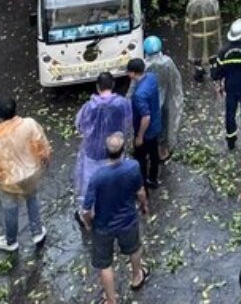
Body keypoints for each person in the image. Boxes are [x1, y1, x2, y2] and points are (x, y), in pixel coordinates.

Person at [81, 132, 151, 304]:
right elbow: (140, 192)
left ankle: (111, 300)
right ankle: (136, 276)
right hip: (127, 220)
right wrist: (144, 206)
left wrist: (89, 224)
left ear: (106, 152)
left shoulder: (97, 177)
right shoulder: (133, 167)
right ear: (123, 150)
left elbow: (86, 209)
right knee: (134, 248)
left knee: (105, 264)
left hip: (103, 226)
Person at [0, 98, 51, 252]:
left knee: (10, 208)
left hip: (8, 180)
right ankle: (37, 233)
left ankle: (11, 241)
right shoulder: (29, 124)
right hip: (30, 173)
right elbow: (41, 144)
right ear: (16, 110)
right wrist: (45, 160)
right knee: (32, 199)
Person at [74, 73, 133, 222]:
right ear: (113, 85)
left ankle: (89, 212)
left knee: (89, 183)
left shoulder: (89, 107)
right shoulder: (122, 103)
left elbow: (80, 125)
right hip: (114, 149)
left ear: (97, 87)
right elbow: (127, 123)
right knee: (115, 179)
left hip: (93, 151)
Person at [211, 19, 241, 150]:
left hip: (230, 87)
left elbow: (217, 73)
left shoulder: (223, 52)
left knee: (230, 113)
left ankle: (231, 140)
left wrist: (219, 85)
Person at [144, 36, 183, 162]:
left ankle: (151, 149)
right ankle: (162, 149)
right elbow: (176, 81)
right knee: (164, 122)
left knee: (150, 124)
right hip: (165, 98)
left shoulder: (144, 65)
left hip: (150, 100)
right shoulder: (167, 62)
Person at [127, 58, 162, 189]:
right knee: (154, 155)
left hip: (146, 131)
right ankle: (153, 179)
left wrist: (140, 136)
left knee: (140, 159)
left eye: (128, 72)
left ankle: (142, 185)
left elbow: (145, 117)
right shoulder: (152, 78)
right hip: (156, 124)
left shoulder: (139, 95)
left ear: (133, 73)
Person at [185, 0, 221, 83]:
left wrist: (187, 31)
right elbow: (219, 18)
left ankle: (199, 74)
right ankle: (215, 72)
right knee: (213, 53)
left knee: (197, 55)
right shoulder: (213, 0)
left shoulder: (192, 2)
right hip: (212, 32)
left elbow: (188, 22)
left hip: (197, 35)